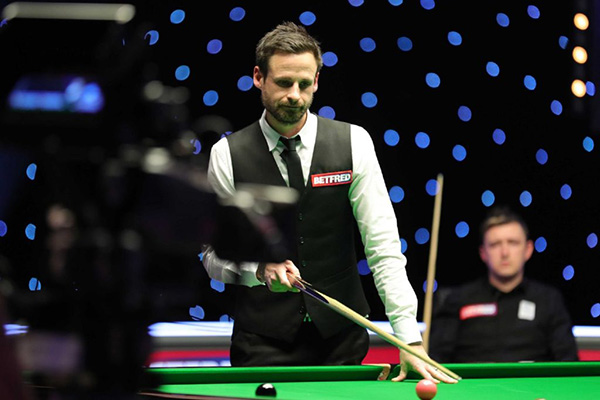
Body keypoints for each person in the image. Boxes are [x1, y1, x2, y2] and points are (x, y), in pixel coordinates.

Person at [201, 22, 456, 383]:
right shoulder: (227, 154)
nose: (295, 95)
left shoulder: (354, 142)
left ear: (317, 80)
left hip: (341, 339)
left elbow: (383, 247)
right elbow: (212, 257)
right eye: (284, 83)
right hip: (261, 341)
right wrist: (258, 270)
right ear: (258, 78)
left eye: (304, 84)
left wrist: (409, 338)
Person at [428, 206, 579, 363]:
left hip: (532, 379)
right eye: (495, 244)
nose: (505, 253)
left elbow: (567, 361)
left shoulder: (548, 299)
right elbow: (436, 361)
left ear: (528, 249)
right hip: (470, 380)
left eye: (513, 243)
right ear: (483, 253)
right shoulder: (457, 299)